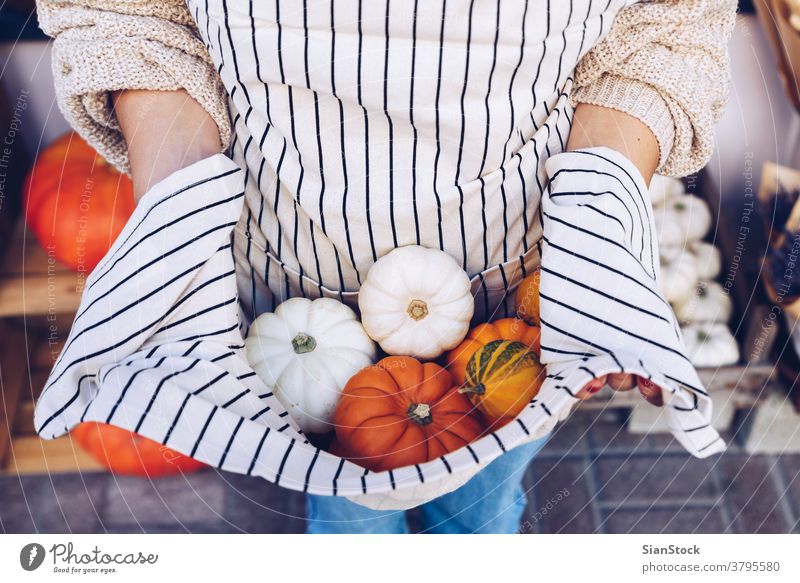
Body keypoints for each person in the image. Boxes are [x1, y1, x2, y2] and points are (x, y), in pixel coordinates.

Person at [35, 0, 737, 533]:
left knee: (480, 515)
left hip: (512, 312)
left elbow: (665, 24)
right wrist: (176, 217)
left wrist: (599, 229)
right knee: (351, 525)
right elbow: (128, 12)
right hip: (288, 293)